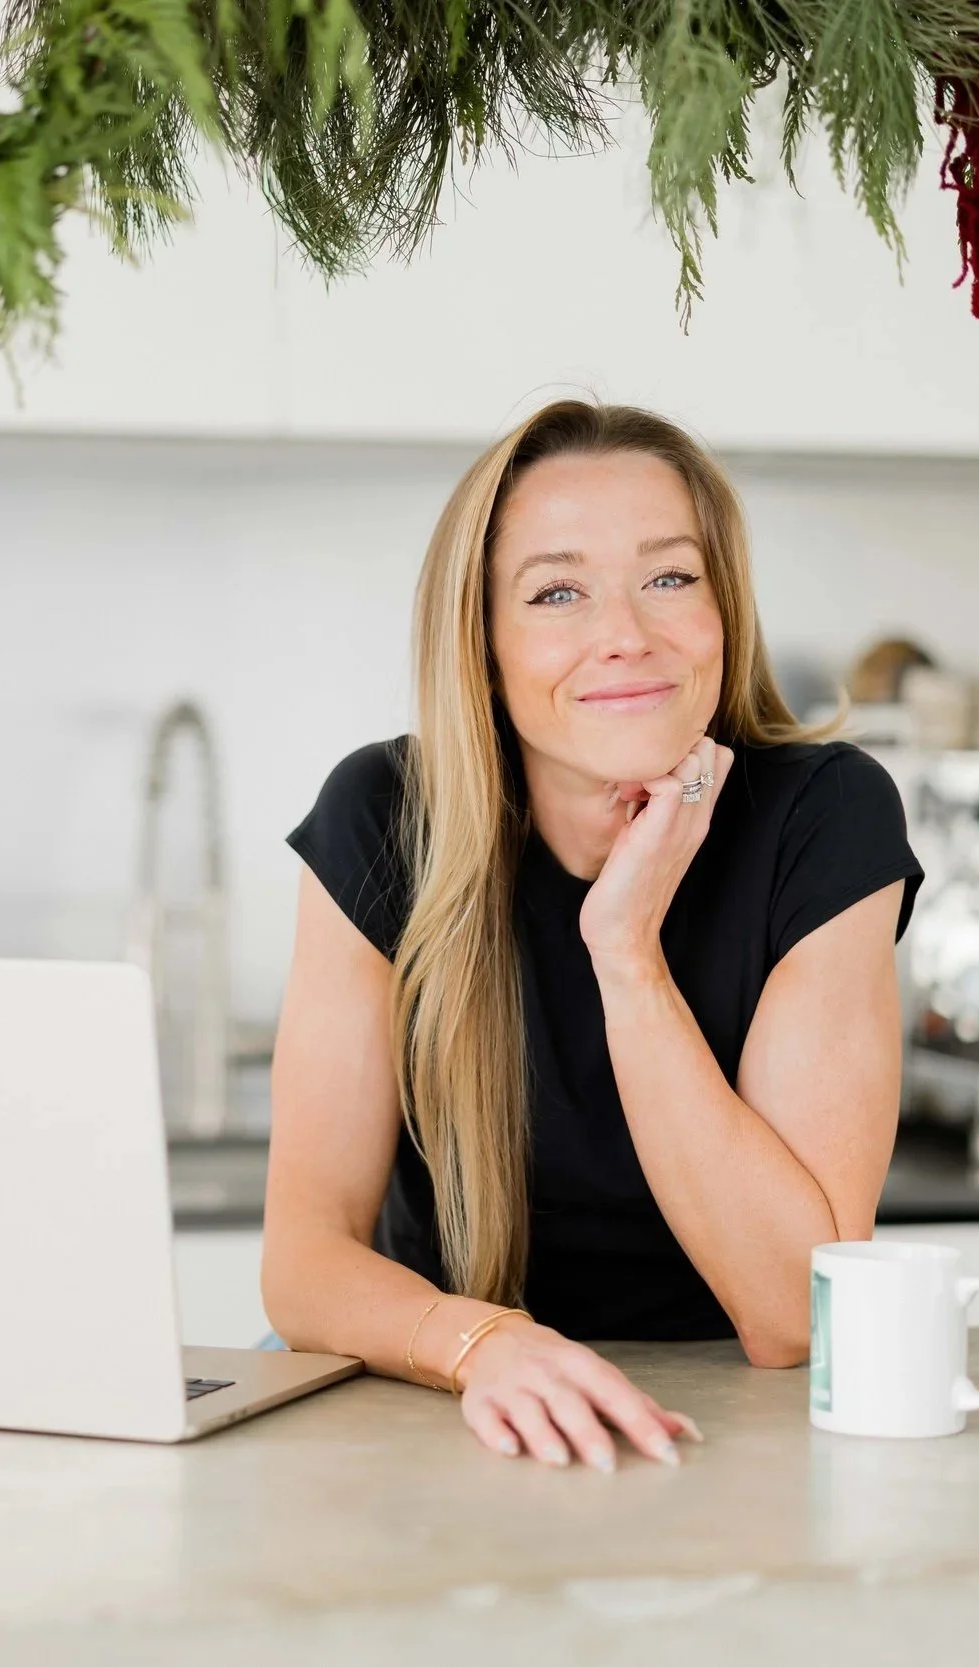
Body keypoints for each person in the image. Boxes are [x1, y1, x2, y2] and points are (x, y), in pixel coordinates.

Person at [261, 400, 923, 1470]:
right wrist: (486, 1345)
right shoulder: (383, 815)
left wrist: (625, 949)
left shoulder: (824, 816)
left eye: (670, 576)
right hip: (445, 1399)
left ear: (723, 609)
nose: (627, 632)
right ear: (481, 645)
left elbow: (792, 1313)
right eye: (556, 591)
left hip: (725, 1439)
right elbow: (302, 1259)